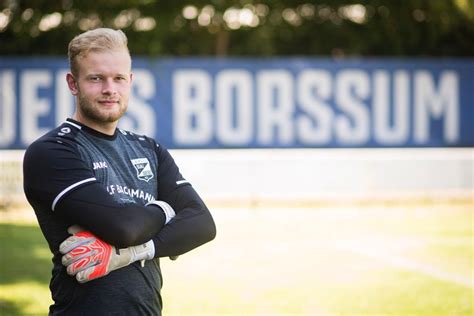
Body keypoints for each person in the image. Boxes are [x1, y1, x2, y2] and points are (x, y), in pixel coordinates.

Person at [23, 28, 216, 315]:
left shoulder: (148, 149)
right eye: (96, 78)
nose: (109, 89)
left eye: (119, 78)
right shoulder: (53, 151)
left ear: (130, 81)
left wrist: (132, 253)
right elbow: (123, 227)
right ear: (73, 84)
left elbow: (202, 224)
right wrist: (165, 209)